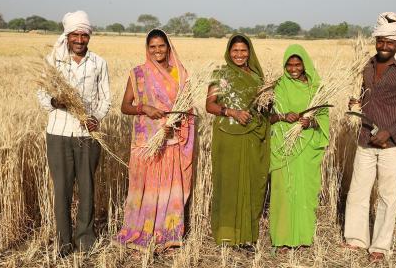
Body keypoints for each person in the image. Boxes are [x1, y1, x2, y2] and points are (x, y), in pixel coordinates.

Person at [343, 12, 396, 262]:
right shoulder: (367, 65)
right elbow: (366, 95)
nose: (384, 46)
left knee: (387, 196)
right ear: (376, 41)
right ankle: (356, 239)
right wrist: (356, 102)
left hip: (392, 144)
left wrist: (391, 132)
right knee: (358, 191)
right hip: (365, 138)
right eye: (380, 41)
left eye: (390, 42)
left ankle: (380, 246)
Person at [37, 10, 111, 257]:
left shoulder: (99, 63)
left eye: (84, 34)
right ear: (67, 36)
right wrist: (54, 101)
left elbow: (106, 99)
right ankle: (63, 242)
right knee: (62, 190)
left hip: (88, 137)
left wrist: (96, 119)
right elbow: (40, 94)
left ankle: (85, 240)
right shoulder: (53, 62)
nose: (80, 39)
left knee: (88, 188)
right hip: (58, 134)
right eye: (75, 34)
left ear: (89, 36)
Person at [115, 29, 195, 254]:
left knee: (169, 187)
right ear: (147, 48)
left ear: (168, 47)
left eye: (161, 46)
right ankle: (142, 230)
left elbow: (188, 107)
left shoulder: (181, 73)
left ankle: (167, 233)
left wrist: (177, 119)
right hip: (147, 142)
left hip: (171, 140)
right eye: (153, 47)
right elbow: (125, 106)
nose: (157, 50)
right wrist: (145, 109)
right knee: (146, 187)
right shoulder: (139, 73)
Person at [206, 34, 270, 250]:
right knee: (229, 183)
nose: (239, 55)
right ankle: (227, 235)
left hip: (253, 136)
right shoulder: (220, 75)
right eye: (235, 51)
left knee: (251, 184)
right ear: (228, 52)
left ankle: (246, 236)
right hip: (228, 136)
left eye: (243, 51)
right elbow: (210, 105)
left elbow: (264, 106)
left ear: (249, 52)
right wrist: (231, 111)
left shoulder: (258, 77)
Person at [269, 44, 329, 252]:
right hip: (283, 145)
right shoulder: (277, 86)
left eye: (298, 64)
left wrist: (309, 122)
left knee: (304, 191)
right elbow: (266, 116)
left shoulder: (316, 88)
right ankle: (283, 238)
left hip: (306, 145)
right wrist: (284, 116)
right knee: (283, 192)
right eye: (289, 64)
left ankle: (303, 236)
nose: (293, 68)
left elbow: (323, 117)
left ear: (305, 64)